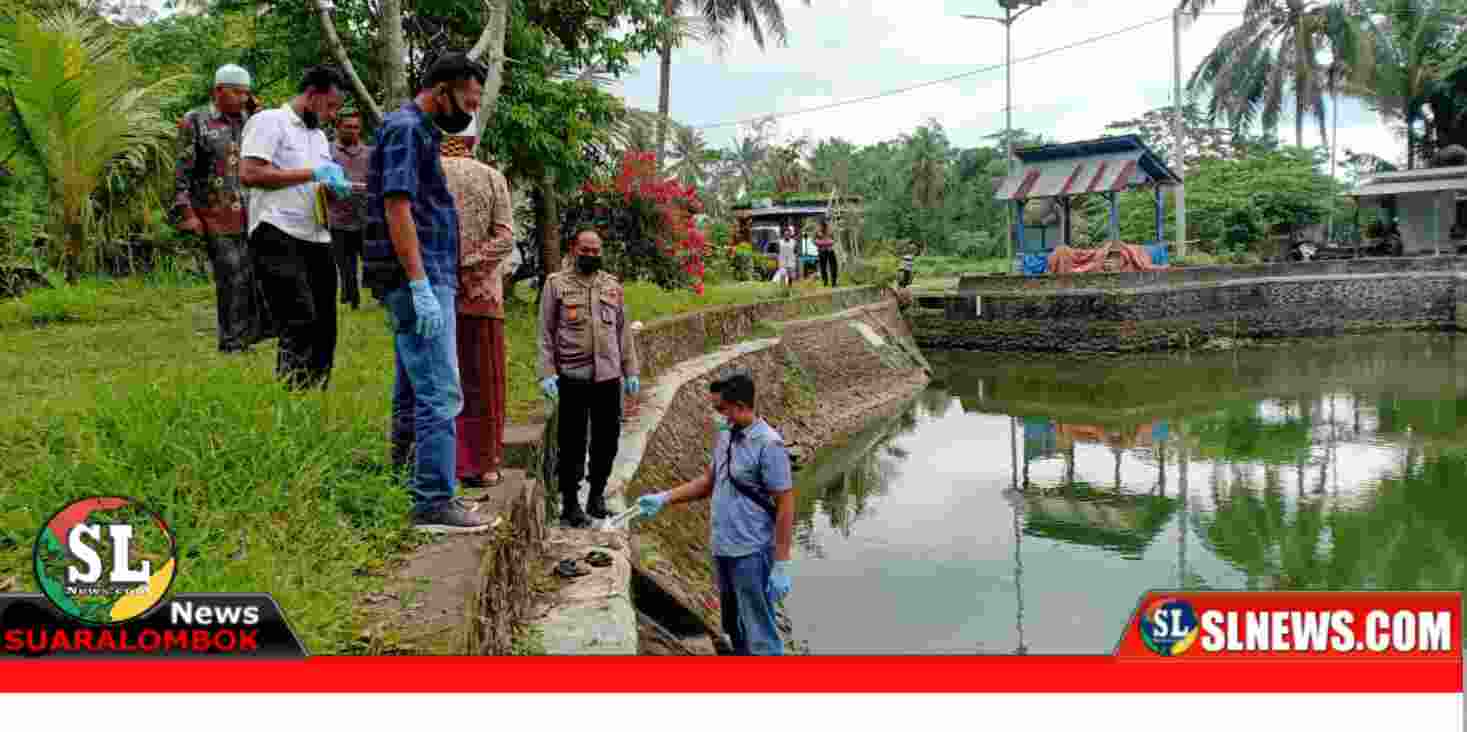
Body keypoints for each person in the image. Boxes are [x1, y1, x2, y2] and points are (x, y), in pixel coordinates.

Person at [363, 52, 491, 533]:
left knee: (414, 388)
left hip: (426, 275)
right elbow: (397, 208)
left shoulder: (418, 131)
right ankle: (434, 501)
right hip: (418, 277)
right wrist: (419, 283)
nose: (470, 111)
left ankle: (407, 482)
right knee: (440, 391)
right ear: (442, 92)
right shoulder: (407, 130)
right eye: (468, 101)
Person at [635, 369, 795, 656]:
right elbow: (708, 482)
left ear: (740, 406)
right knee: (733, 626)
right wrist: (664, 498)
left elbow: (785, 504)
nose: (718, 415)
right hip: (723, 548)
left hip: (751, 552)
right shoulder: (726, 437)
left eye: (721, 409)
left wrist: (781, 563)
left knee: (760, 632)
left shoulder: (769, 445)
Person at [239, 65, 353, 389]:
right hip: (276, 230)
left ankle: (317, 394)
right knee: (299, 317)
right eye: (330, 106)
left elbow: (316, 181)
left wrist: (333, 187)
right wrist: (312, 173)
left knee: (326, 322)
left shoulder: (318, 137)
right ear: (312, 95)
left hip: (316, 233)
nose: (333, 114)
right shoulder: (269, 121)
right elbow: (250, 173)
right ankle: (292, 393)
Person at [538, 228, 640, 528]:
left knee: (607, 441)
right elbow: (545, 332)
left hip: (608, 377)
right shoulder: (556, 284)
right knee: (572, 443)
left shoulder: (612, 286)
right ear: (574, 249)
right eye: (586, 250)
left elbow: (623, 332)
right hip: (573, 376)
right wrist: (546, 372)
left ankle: (596, 496)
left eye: (596, 251)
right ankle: (570, 503)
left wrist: (631, 371)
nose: (591, 255)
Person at [171, 63, 269, 353]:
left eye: (246, 93)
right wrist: (187, 213)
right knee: (231, 275)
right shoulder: (196, 120)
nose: (242, 98)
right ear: (218, 91)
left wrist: (259, 114)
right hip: (215, 214)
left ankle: (250, 335)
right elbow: (182, 172)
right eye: (237, 92)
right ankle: (232, 342)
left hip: (252, 212)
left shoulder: (251, 120)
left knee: (253, 274)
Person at [439, 131, 515, 494]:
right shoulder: (492, 177)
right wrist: (471, 267)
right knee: (484, 383)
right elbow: (505, 239)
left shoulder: (427, 171)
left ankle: (448, 463)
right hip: (484, 296)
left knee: (441, 379)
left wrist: (449, 269)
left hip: (437, 288)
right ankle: (485, 465)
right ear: (472, 142)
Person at [328, 110, 373, 310]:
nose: (352, 131)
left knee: (370, 260)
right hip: (337, 217)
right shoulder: (328, 151)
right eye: (348, 127)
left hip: (364, 216)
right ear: (338, 127)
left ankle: (379, 295)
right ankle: (352, 298)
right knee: (345, 264)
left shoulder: (369, 153)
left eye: (356, 127)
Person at [815, 220, 838, 288]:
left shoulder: (830, 230)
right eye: (821, 226)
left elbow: (834, 240)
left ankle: (833, 282)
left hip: (830, 250)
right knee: (823, 267)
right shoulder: (817, 231)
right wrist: (823, 243)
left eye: (824, 226)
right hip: (822, 251)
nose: (822, 227)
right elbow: (815, 241)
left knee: (833, 267)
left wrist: (828, 242)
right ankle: (825, 282)